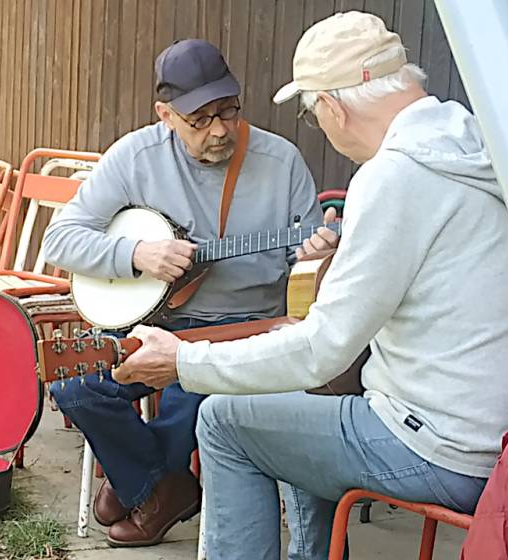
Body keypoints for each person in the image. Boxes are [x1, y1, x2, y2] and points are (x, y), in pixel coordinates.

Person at [113, 11, 508, 560]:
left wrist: (184, 362)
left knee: (226, 420)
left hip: (442, 449)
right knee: (293, 413)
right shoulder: (472, 145)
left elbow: (322, 350)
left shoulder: (394, 175)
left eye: (313, 114)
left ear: (332, 106)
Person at [42, 38, 327, 548]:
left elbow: (303, 266)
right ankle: (161, 486)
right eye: (200, 118)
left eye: (228, 112)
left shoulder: (281, 162)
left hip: (242, 329)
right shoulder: (136, 155)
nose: (219, 129)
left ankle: (137, 484)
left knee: (187, 397)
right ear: (165, 114)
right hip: (153, 323)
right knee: (73, 380)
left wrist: (313, 258)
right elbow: (61, 237)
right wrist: (136, 254)